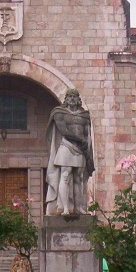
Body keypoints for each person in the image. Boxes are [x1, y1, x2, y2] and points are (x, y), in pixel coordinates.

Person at [45, 88, 94, 217]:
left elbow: (87, 133)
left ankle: (79, 207)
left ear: (78, 99)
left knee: (79, 178)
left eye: (74, 96)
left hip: (80, 149)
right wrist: (80, 139)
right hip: (66, 147)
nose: (72, 99)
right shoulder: (59, 113)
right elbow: (63, 130)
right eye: (70, 96)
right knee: (65, 176)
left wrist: (86, 146)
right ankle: (65, 207)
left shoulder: (84, 115)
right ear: (66, 99)